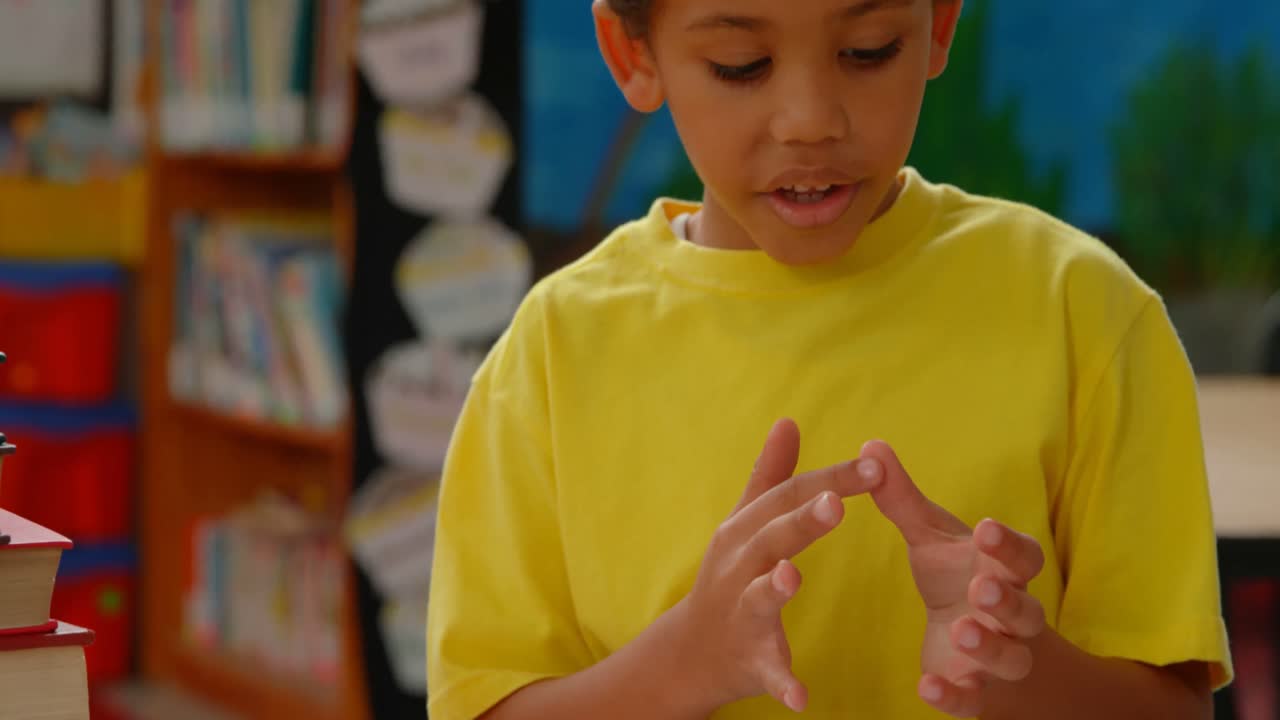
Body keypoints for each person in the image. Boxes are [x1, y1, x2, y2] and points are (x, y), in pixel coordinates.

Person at [425, 1, 1233, 717]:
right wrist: (681, 669)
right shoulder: (551, 357)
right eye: (741, 65)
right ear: (634, 53)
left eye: (869, 49)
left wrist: (1015, 669)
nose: (810, 118)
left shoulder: (1084, 316)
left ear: (939, 23)